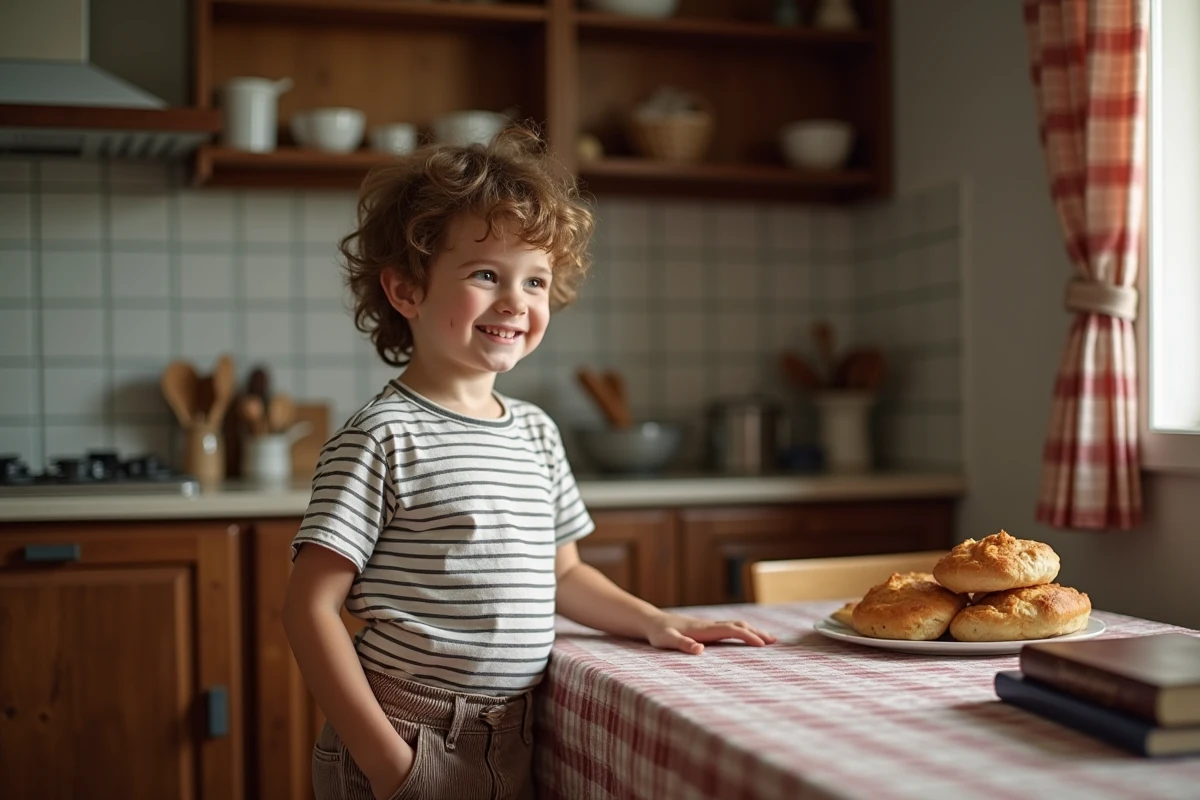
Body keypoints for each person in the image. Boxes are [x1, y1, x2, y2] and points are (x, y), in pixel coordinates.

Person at [282, 126, 777, 800]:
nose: (517, 301)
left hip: (511, 732)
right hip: (407, 731)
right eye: (487, 274)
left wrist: (655, 619)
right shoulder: (381, 436)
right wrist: (387, 762)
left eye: (536, 280)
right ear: (406, 291)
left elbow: (564, 574)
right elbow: (309, 610)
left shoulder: (536, 433)